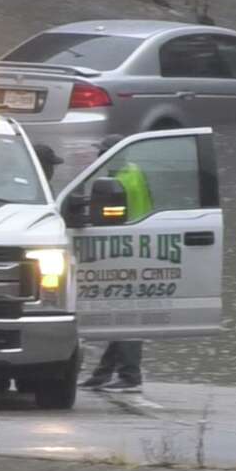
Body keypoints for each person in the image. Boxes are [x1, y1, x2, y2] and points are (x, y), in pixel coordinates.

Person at [79, 134, 153, 393]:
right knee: (118, 313)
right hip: (138, 244)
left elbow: (108, 218)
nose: (98, 157)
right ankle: (104, 373)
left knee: (125, 314)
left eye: (102, 152)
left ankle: (130, 376)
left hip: (123, 250)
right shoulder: (133, 171)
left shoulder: (117, 180)